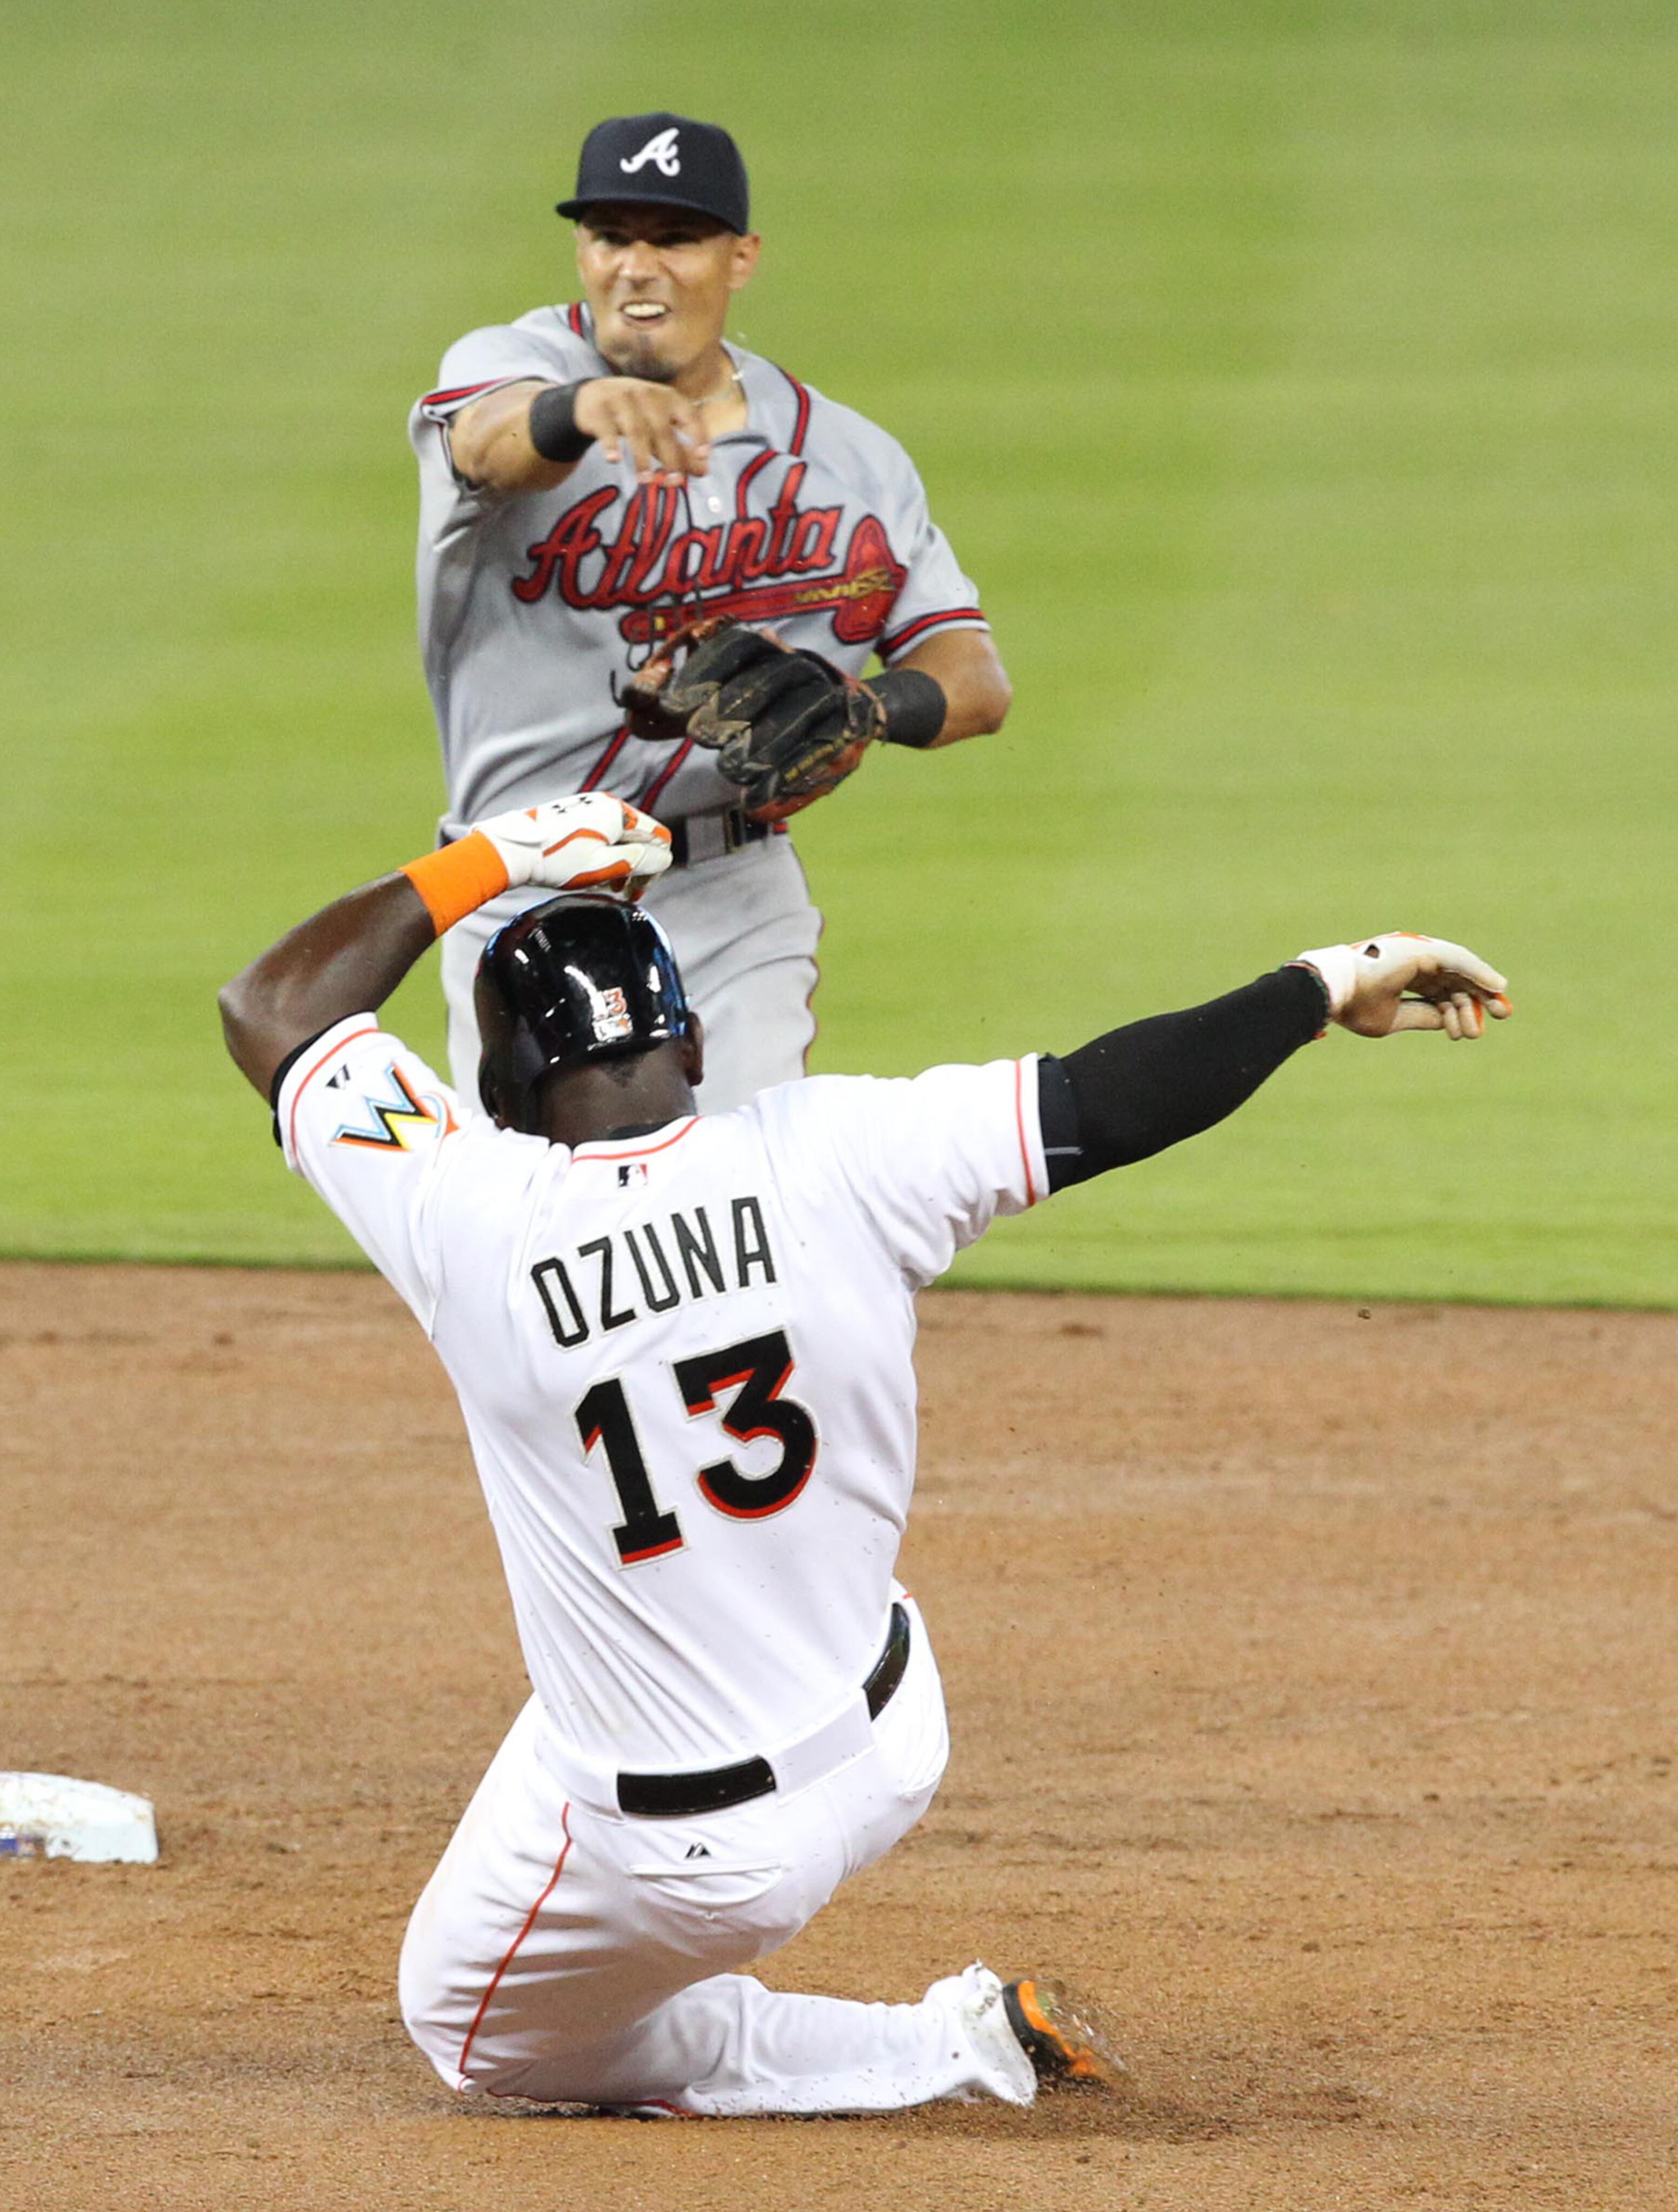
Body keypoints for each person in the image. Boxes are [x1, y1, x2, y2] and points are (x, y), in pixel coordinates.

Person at [217, 793, 1510, 2117]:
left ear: (496, 1093)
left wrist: (497, 857)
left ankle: (939, 2043)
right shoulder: (844, 1151)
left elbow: (271, 1006)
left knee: (474, 2030)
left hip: (694, 1852)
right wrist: (1325, 982)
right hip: (894, 1734)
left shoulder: (460, 1215)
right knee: (598, 1699)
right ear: (699, 1042)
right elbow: (1114, 1098)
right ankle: (740, 1974)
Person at [410, 112, 1013, 1119]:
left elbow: (975, 680)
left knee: (748, 1224)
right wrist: (577, 410)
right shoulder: (512, 364)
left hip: (731, 895)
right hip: (517, 885)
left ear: (740, 259)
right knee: (524, 1240)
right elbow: (486, 443)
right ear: (582, 252)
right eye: (612, 237)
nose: (638, 268)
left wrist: (868, 709)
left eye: (675, 240)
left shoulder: (848, 458)